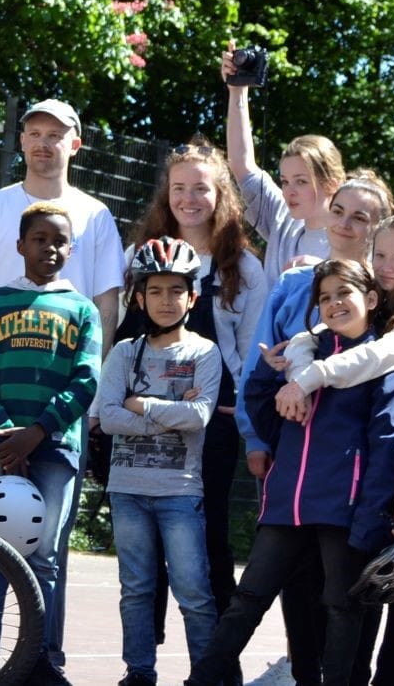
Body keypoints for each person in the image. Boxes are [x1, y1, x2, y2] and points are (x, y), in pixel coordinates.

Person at [0, 98, 124, 674]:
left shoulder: (95, 216)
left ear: (76, 142)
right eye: (34, 132)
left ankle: (44, 657)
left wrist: (76, 410)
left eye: (57, 134)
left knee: (47, 548)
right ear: (21, 140)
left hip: (57, 417)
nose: (45, 143)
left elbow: (105, 305)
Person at [187, 259, 394, 686]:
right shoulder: (302, 358)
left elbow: (390, 444)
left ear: (372, 299)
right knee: (247, 599)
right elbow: (270, 425)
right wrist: (266, 381)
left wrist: (370, 518)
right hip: (287, 506)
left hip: (344, 514)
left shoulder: (383, 364)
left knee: (341, 609)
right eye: (325, 297)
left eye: (344, 292)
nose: (334, 303)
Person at [271, 214, 394, 686]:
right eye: (380, 255)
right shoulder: (379, 303)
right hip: (374, 471)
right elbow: (311, 335)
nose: (387, 267)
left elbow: (369, 359)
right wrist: (302, 356)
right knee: (364, 586)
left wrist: (306, 376)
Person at [0, 201, 103, 686]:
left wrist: (37, 433)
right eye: (39, 239)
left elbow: (86, 380)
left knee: (44, 556)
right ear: (20, 245)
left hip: (53, 449)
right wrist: (4, 433)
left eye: (59, 240)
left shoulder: (83, 309)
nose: (49, 247)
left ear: (71, 250)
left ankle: (40, 660)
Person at [237, 172, 392, 686]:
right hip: (293, 469)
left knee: (348, 599)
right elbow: (266, 359)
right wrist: (258, 437)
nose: (346, 224)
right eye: (340, 211)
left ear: (379, 227)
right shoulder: (294, 282)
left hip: (351, 489)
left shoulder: (389, 299)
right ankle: (302, 671)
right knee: (296, 591)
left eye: (361, 216)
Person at [111, 137, 268, 615]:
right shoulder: (139, 254)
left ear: (220, 195)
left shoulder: (242, 265)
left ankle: (217, 661)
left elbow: (250, 355)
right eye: (179, 188)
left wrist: (242, 414)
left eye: (201, 188)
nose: (189, 199)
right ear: (166, 195)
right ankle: (143, 661)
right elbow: (120, 336)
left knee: (210, 535)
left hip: (209, 421)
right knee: (143, 553)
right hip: (139, 422)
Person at [97, 238, 222, 686]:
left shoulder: (204, 353)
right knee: (136, 590)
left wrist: (141, 405)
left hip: (180, 492)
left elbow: (199, 416)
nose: (165, 301)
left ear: (193, 296)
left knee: (194, 592)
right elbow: (107, 418)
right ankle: (139, 671)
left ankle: (205, 674)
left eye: (175, 291)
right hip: (127, 490)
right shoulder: (123, 352)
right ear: (138, 296)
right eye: (155, 291)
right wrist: (167, 412)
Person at [221, 49, 343, 273]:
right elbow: (241, 163)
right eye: (285, 181)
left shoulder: (352, 239)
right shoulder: (282, 218)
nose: (289, 191)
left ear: (332, 182)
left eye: (301, 181)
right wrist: (237, 91)